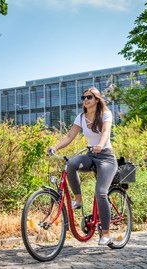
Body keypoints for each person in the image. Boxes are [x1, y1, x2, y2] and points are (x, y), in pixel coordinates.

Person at [48, 86, 118, 245]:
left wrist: (100, 144)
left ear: (97, 100)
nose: (85, 100)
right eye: (83, 98)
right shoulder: (81, 117)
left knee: (101, 192)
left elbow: (106, 132)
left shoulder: (106, 114)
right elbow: (70, 136)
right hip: (91, 155)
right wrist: (55, 147)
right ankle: (78, 200)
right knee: (71, 164)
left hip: (106, 157)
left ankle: (106, 234)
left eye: (89, 97)